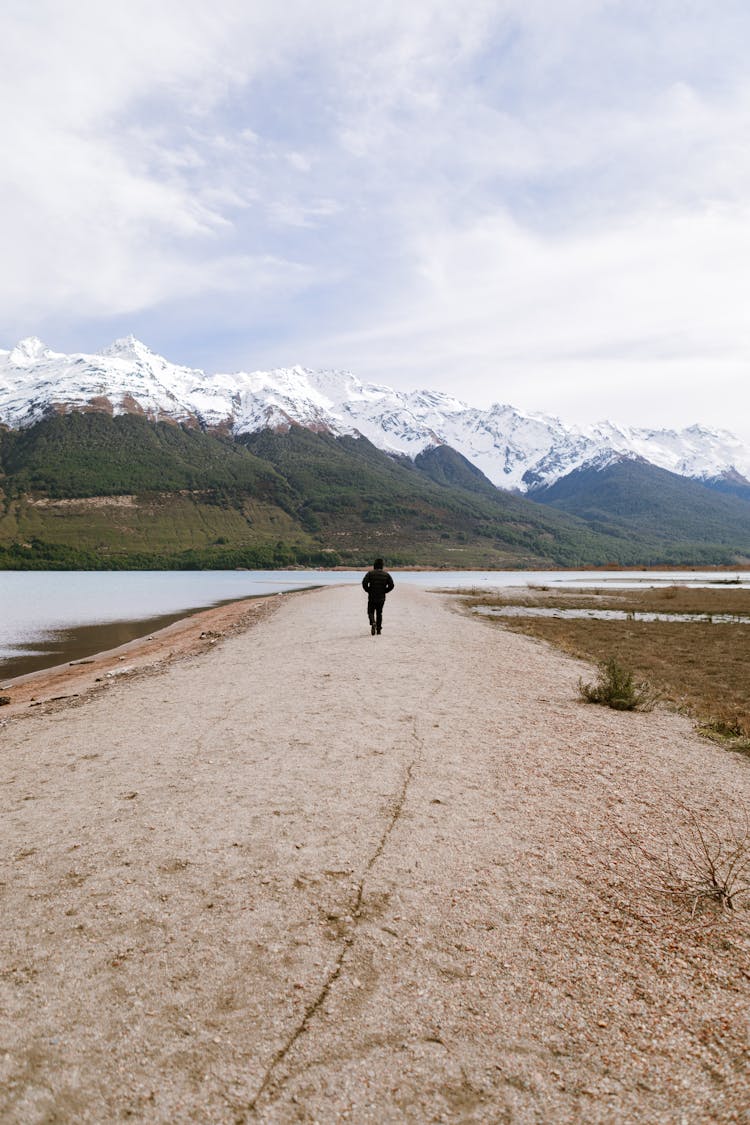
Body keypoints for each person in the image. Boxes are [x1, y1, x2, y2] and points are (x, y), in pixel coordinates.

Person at [362, 558, 394, 635]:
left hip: (372, 596)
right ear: (382, 566)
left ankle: (373, 622)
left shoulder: (370, 573)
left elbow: (364, 583)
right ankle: (379, 630)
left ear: (374, 565)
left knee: (370, 611)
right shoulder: (386, 574)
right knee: (379, 613)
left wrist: (368, 590)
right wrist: (385, 591)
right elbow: (391, 585)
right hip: (381, 597)